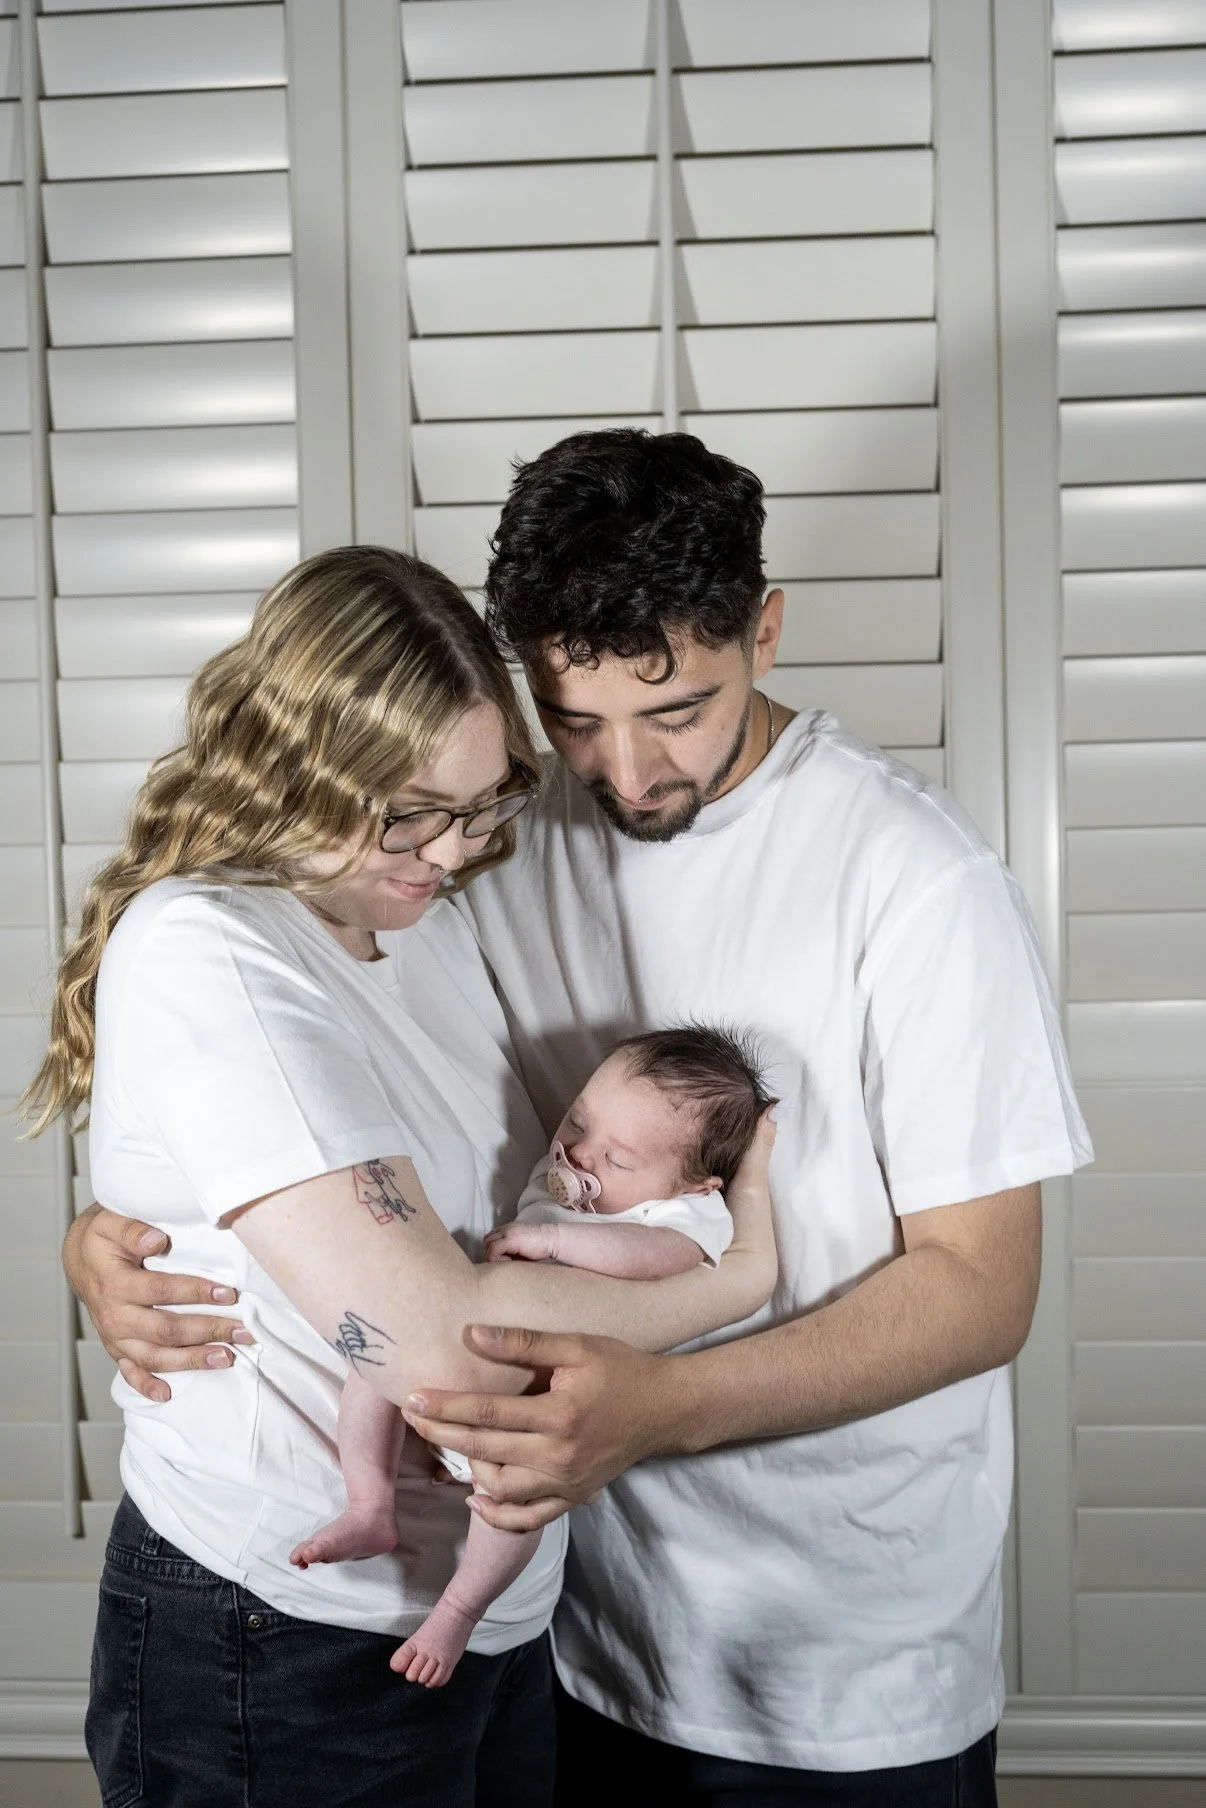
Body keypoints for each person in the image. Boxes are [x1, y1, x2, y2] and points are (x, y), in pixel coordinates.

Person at [66, 430, 1092, 1806]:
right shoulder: (487, 834)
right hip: (572, 1620)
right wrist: (118, 1228)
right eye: (574, 717)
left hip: (832, 1650)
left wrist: (661, 1402)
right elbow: (282, 1038)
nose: (621, 772)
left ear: (764, 630)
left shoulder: (916, 881)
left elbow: (978, 1295)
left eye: (676, 710)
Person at [33, 543, 777, 1808]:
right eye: (408, 808)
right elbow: (450, 1359)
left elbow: (544, 1209)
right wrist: (737, 1278)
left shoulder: (420, 920)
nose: (449, 848)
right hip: (281, 1627)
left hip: (487, 1614)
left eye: (481, 804)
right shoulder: (213, 950)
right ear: (295, 767)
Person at [298, 1024, 773, 1691]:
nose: (578, 1153)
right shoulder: (569, 1171)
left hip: (543, 1404)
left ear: (694, 1187)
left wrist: (555, 1243)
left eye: (618, 1160)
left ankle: (460, 1609)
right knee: (370, 1364)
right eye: (578, 1121)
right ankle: (369, 1503)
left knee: (515, 1498)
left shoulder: (687, 1221)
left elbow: (657, 1260)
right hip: (468, 1363)